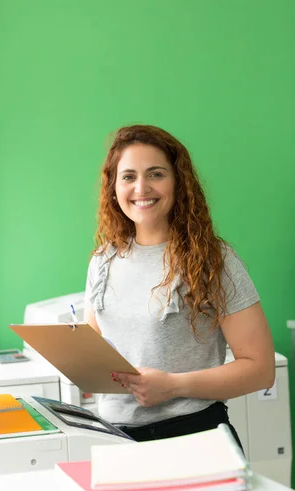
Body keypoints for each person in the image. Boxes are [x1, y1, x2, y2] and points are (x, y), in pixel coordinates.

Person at [84, 124, 275, 448]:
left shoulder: (215, 259)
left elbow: (260, 370)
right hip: (116, 440)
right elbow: (95, 350)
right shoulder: (103, 260)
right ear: (114, 187)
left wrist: (172, 386)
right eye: (128, 176)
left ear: (178, 182)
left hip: (195, 438)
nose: (141, 187)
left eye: (156, 174)